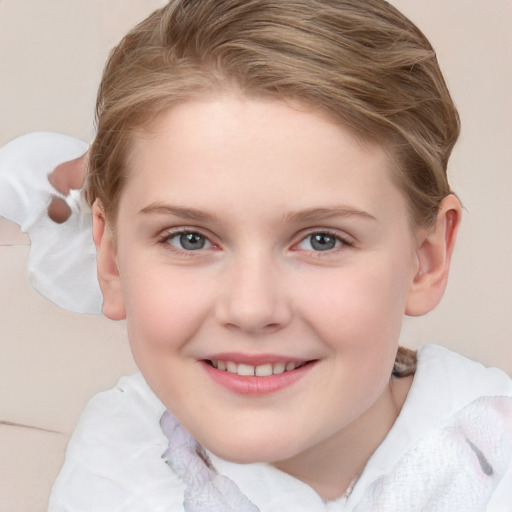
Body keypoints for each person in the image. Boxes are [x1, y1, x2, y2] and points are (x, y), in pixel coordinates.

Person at [40, 0, 512, 510]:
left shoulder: (491, 459)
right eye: (189, 238)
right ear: (110, 261)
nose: (251, 308)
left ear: (427, 259)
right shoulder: (116, 463)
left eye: (322, 240)